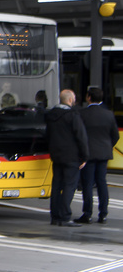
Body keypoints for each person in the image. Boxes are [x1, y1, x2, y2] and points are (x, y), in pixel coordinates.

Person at [45, 88, 88, 227]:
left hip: (56, 156)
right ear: (70, 100)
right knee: (70, 185)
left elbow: (48, 136)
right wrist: (85, 156)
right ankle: (65, 216)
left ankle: (55, 216)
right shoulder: (73, 115)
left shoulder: (50, 116)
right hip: (71, 156)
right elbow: (81, 137)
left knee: (56, 186)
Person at [76, 86, 118, 224]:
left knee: (87, 184)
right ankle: (103, 214)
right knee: (102, 183)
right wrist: (107, 147)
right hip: (104, 154)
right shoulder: (109, 114)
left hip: (88, 154)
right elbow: (115, 136)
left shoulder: (82, 114)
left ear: (89, 97)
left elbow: (79, 135)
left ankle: (87, 213)